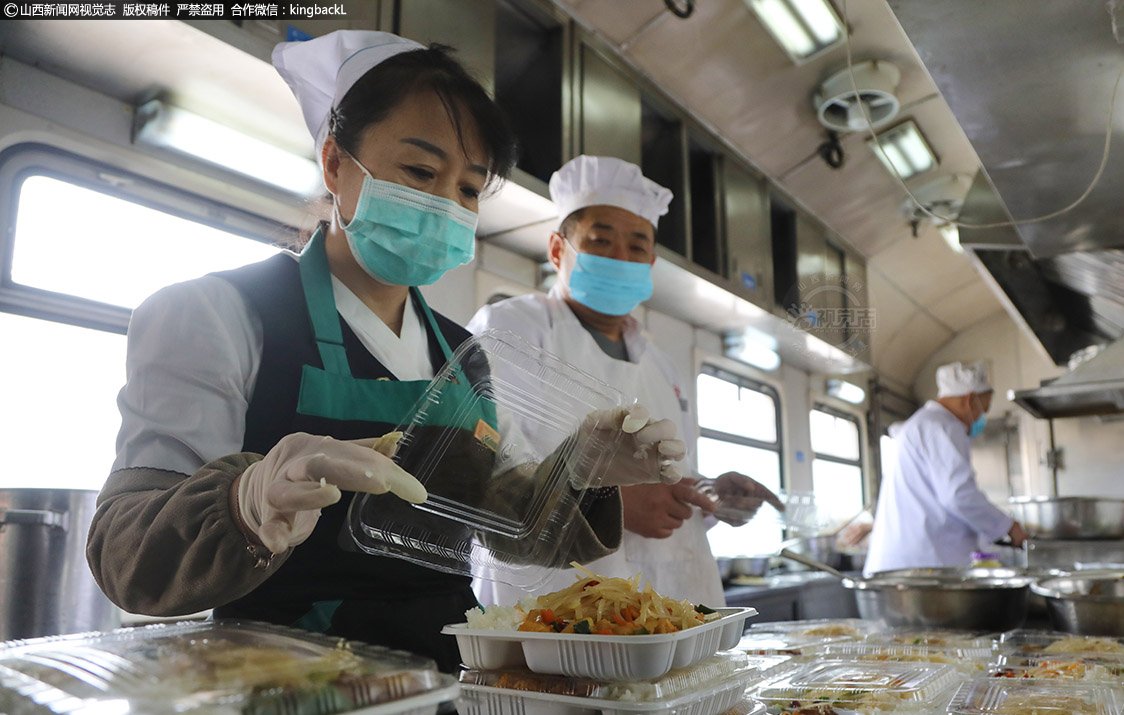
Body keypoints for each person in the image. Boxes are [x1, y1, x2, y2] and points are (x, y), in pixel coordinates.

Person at [86, 32, 686, 672]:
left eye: (468, 189)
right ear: (336, 164)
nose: (444, 204)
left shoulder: (462, 353)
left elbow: (510, 526)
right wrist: (249, 498)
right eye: (421, 172)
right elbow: (128, 553)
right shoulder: (215, 313)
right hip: (285, 690)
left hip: (451, 691)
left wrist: (581, 468)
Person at [468, 154, 782, 608]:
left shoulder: (660, 363)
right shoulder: (510, 329)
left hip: (673, 601)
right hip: (553, 605)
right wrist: (608, 506)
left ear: (650, 262)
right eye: (600, 241)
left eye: (637, 247)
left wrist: (708, 492)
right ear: (558, 250)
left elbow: (667, 478)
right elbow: (485, 478)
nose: (621, 257)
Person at [863, 360, 1027, 574]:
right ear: (970, 400)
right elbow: (959, 495)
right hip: (921, 566)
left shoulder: (924, 424)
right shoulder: (942, 427)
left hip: (910, 563)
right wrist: (1009, 527)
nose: (980, 418)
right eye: (982, 410)